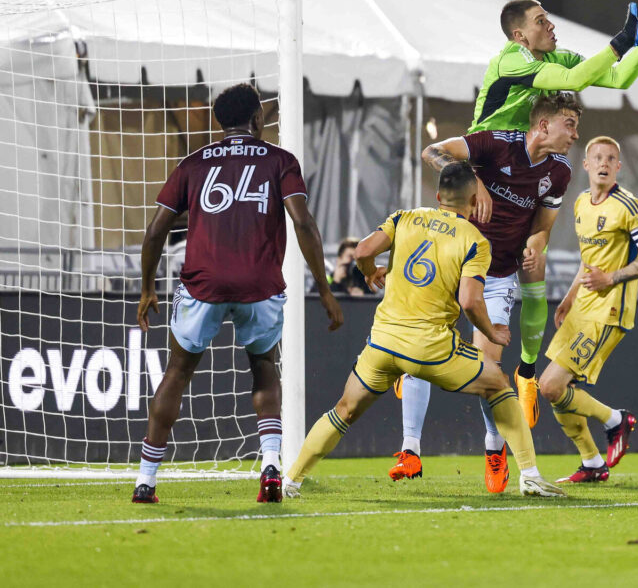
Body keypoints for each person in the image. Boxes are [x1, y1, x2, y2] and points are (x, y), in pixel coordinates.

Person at [282, 161, 565, 498]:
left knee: (343, 410)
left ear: (437, 195)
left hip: (383, 344)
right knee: (499, 386)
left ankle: (292, 480)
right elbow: (471, 302)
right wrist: (492, 333)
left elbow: (361, 250)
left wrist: (370, 271)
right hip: (431, 348)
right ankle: (530, 475)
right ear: (475, 201)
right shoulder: (475, 240)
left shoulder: (404, 218)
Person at [132, 83, 344, 504]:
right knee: (264, 366)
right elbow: (303, 223)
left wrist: (146, 289)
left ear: (218, 122)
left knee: (177, 372)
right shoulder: (281, 160)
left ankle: (146, 480)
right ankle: (270, 466)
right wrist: (324, 287)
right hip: (259, 284)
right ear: (258, 119)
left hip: (202, 284)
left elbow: (156, 230)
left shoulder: (193, 163)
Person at [468, 0, 638, 421]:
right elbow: (574, 78)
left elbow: (616, 79)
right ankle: (421, 361)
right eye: (541, 20)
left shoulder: (553, 58)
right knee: (444, 293)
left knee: (534, 262)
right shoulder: (513, 60)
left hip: (521, 174)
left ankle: (526, 371)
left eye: (550, 17)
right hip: (481, 168)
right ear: (519, 35)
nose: (551, 25)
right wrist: (623, 39)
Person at [393, 92, 580, 493]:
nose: (574, 135)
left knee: (489, 368)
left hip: (496, 274)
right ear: (544, 125)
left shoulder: (559, 172)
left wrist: (537, 244)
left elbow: (543, 226)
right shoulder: (497, 143)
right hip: (449, 266)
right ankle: (410, 449)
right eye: (570, 124)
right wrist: (474, 179)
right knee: (418, 355)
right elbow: (432, 151)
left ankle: (494, 449)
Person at [537, 136, 638, 482]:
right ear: (587, 165)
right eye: (597, 157)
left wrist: (612, 277)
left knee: (551, 387)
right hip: (582, 307)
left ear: (618, 167)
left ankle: (616, 420)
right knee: (553, 390)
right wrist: (568, 297)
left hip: (609, 310)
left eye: (611, 158)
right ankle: (592, 463)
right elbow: (587, 262)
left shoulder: (629, 206)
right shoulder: (581, 203)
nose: (604, 163)